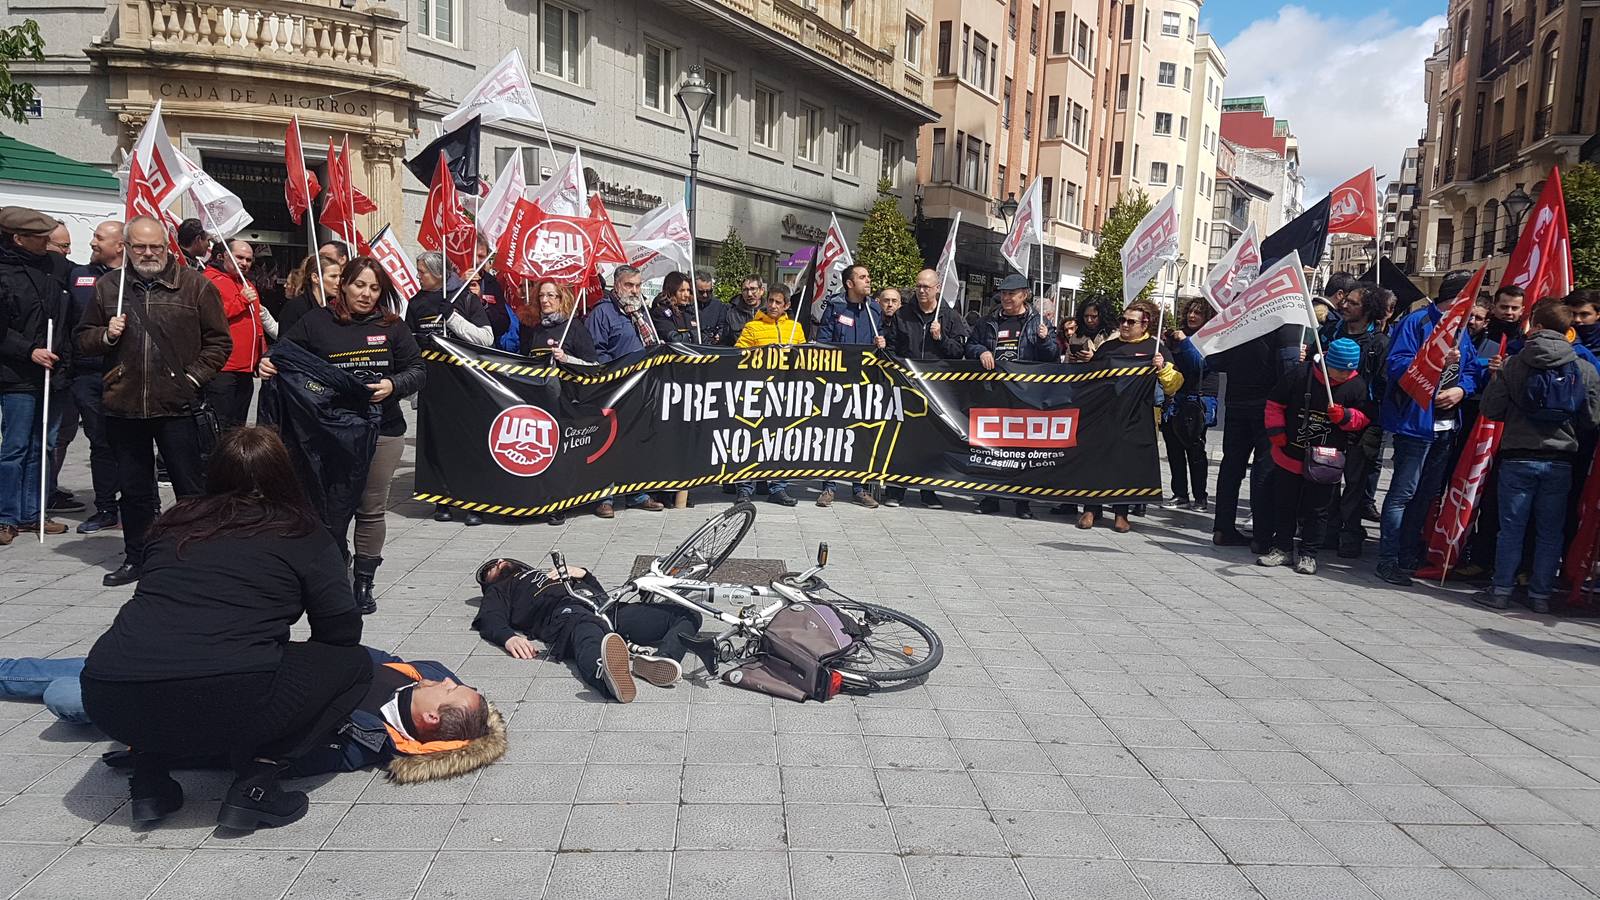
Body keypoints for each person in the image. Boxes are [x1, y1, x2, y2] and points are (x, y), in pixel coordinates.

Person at [78, 426, 372, 832]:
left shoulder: (173, 523)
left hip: (107, 693)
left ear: (213, 472)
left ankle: (149, 781)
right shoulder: (300, 531)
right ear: (286, 475)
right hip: (227, 693)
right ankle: (257, 784)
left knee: (165, 665)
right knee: (354, 665)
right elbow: (340, 633)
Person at [0, 645, 507, 787]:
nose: (447, 678)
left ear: (433, 723)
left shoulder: (359, 743)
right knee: (107, 662)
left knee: (67, 696)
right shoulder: (420, 674)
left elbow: (256, 753)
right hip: (241, 661)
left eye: (449, 691)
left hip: (209, 705)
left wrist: (160, 755)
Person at [74, 215, 232, 585]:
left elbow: (220, 342)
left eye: (155, 246)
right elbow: (81, 338)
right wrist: (106, 337)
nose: (148, 253)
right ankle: (138, 558)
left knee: (190, 490)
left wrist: (193, 378)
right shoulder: (108, 287)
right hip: (124, 405)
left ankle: (193, 561)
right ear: (126, 248)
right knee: (134, 490)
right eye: (140, 247)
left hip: (178, 407)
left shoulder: (194, 286)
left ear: (168, 247)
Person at [266, 257, 425, 608]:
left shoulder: (392, 327)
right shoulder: (315, 322)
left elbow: (417, 370)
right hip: (328, 434)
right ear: (343, 285)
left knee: (370, 509)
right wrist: (268, 362)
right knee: (331, 509)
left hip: (382, 432)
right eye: (359, 285)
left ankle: (364, 582)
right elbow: (284, 355)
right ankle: (337, 569)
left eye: (374, 288)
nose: (366, 294)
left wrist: (393, 384)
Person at [1476, 300, 1600, 612]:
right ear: (1568, 329)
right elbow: (1593, 418)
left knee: (1512, 527)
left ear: (1538, 326)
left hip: (1518, 455)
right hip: (1560, 459)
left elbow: (1491, 409)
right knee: (1550, 531)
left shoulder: (1514, 363)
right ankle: (1540, 596)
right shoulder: (1583, 367)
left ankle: (1500, 590)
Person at [1374, 270, 1486, 586]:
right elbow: (1397, 367)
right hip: (1414, 425)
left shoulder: (1463, 331)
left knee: (1426, 495)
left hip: (1446, 427)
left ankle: (1408, 554)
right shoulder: (1417, 322)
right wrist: (1437, 363)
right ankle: (1388, 558)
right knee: (1402, 494)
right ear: (1453, 297)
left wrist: (1461, 389)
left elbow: (1471, 371)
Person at [475, 558, 716, 702]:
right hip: (565, 614)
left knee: (688, 612)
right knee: (588, 635)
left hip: (608, 608)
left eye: (497, 562)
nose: (497, 564)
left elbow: (599, 591)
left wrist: (583, 573)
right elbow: (489, 618)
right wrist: (507, 638)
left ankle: (664, 659)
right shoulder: (501, 589)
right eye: (490, 570)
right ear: (490, 582)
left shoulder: (545, 572)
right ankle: (607, 679)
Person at [1256, 337, 1373, 575]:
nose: (1343, 375)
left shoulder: (1357, 385)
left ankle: (1309, 554)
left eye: (1349, 370)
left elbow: (1365, 418)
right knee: (1284, 504)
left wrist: (1346, 417)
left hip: (1325, 462)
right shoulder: (1300, 375)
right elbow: (1274, 404)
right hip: (1290, 454)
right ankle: (1282, 548)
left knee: (1318, 510)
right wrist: (1276, 432)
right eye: (1340, 370)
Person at [1080, 300, 1184, 533]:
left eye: (1131, 321)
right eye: (1122, 320)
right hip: (1105, 413)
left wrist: (1163, 368)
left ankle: (1121, 513)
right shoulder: (1108, 347)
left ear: (1145, 324)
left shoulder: (1154, 348)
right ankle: (1091, 508)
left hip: (1137, 414)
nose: (1124, 325)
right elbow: (1090, 380)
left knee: (1125, 462)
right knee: (1098, 459)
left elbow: (1174, 385)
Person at [0, 207, 72, 544]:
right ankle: (6, 517)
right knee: (14, 446)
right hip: (17, 375)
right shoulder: (3, 271)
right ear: (18, 238)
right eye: (40, 238)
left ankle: (33, 513)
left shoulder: (55, 267)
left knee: (43, 446)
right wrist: (28, 350)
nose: (48, 243)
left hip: (53, 373)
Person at [966, 273, 1057, 518]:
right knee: (992, 446)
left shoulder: (1038, 322)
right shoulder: (989, 321)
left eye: (1011, 293)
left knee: (1022, 449)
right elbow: (970, 344)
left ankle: (1021, 501)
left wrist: (1045, 339)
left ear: (1024, 295)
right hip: (994, 393)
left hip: (1026, 395)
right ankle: (990, 495)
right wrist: (981, 350)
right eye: (1004, 293)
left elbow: (1053, 356)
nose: (1006, 298)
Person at [58, 219, 124, 534]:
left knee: (131, 442)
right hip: (87, 376)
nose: (93, 242)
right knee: (99, 443)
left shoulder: (133, 281)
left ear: (119, 245)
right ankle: (106, 507)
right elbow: (65, 322)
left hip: (126, 375)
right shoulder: (78, 276)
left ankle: (139, 504)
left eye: (99, 237)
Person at [884, 267, 970, 508]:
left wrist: (940, 338)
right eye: (918, 286)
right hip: (907, 386)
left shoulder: (950, 317)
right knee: (902, 439)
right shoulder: (903, 315)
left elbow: (959, 352)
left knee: (932, 439)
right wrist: (884, 346)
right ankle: (896, 490)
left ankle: (928, 490)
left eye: (926, 287)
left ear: (937, 288)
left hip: (937, 389)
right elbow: (893, 347)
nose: (921, 291)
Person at [585, 265, 665, 519]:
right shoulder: (603, 313)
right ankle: (604, 497)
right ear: (616, 284)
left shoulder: (642, 314)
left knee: (637, 442)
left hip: (641, 388)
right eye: (629, 285)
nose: (634, 291)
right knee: (609, 445)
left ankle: (636, 493)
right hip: (614, 390)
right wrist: (618, 373)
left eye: (638, 285)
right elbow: (596, 353)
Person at [1320, 284, 1393, 558]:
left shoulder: (1380, 344)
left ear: (1369, 310)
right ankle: (1327, 530)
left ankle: (1350, 535)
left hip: (1365, 423)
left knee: (1355, 481)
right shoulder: (1330, 332)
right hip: (1330, 419)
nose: (1345, 305)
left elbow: (1385, 383)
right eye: (1345, 301)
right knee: (1325, 475)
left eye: (1353, 303)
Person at [814, 264, 885, 509]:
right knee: (833, 434)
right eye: (862, 277)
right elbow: (823, 342)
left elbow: (884, 343)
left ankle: (859, 488)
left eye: (868, 276)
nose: (868, 280)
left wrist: (881, 343)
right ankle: (829, 486)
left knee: (861, 434)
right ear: (849, 284)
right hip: (838, 383)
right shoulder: (835, 308)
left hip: (864, 384)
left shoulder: (874, 310)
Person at [730, 285, 805, 507]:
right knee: (750, 440)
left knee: (782, 440)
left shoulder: (795, 328)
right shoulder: (753, 327)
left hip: (785, 393)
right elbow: (738, 355)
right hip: (757, 392)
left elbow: (806, 358)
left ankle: (778, 487)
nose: (772, 305)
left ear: (787, 306)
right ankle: (744, 488)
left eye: (778, 302)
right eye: (770, 300)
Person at [201, 239, 266, 430]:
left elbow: (257, 325)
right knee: (220, 426)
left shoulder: (246, 283)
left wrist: (260, 357)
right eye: (239, 257)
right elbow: (209, 317)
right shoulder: (210, 280)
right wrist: (241, 301)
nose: (244, 263)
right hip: (223, 367)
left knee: (238, 427)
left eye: (248, 259)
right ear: (223, 256)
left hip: (246, 368)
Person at [1160, 299, 1217, 512]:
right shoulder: (1177, 336)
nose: (1192, 316)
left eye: (1198, 313)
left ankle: (1200, 496)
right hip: (1176, 397)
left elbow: (1200, 365)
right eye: (1190, 312)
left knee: (1195, 448)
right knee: (1174, 448)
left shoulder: (1210, 337)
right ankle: (1180, 493)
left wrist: (1186, 343)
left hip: (1197, 399)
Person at [406, 251, 493, 347]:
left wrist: (452, 318)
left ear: (439, 274)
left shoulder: (466, 298)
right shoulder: (415, 302)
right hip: (428, 361)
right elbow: (408, 342)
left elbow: (487, 339)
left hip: (460, 361)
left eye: (422, 272)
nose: (418, 276)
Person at [512, 280, 597, 362]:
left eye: (550, 295)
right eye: (541, 295)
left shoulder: (574, 327)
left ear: (562, 299)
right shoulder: (535, 327)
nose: (544, 300)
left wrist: (566, 359)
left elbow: (593, 366)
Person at [277, 254, 341, 334]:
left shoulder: (333, 308)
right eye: (333, 276)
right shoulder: (295, 307)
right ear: (315, 278)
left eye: (340, 277)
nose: (339, 282)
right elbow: (285, 342)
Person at [653, 271, 701, 343]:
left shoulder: (689, 310)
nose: (686, 294)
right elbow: (674, 338)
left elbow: (702, 337)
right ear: (671, 291)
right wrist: (693, 336)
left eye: (688, 290)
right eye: (681, 290)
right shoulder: (660, 311)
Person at [725, 275, 765, 345]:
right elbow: (725, 342)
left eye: (753, 289)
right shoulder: (732, 313)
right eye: (745, 290)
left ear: (761, 290)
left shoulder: (770, 312)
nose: (749, 294)